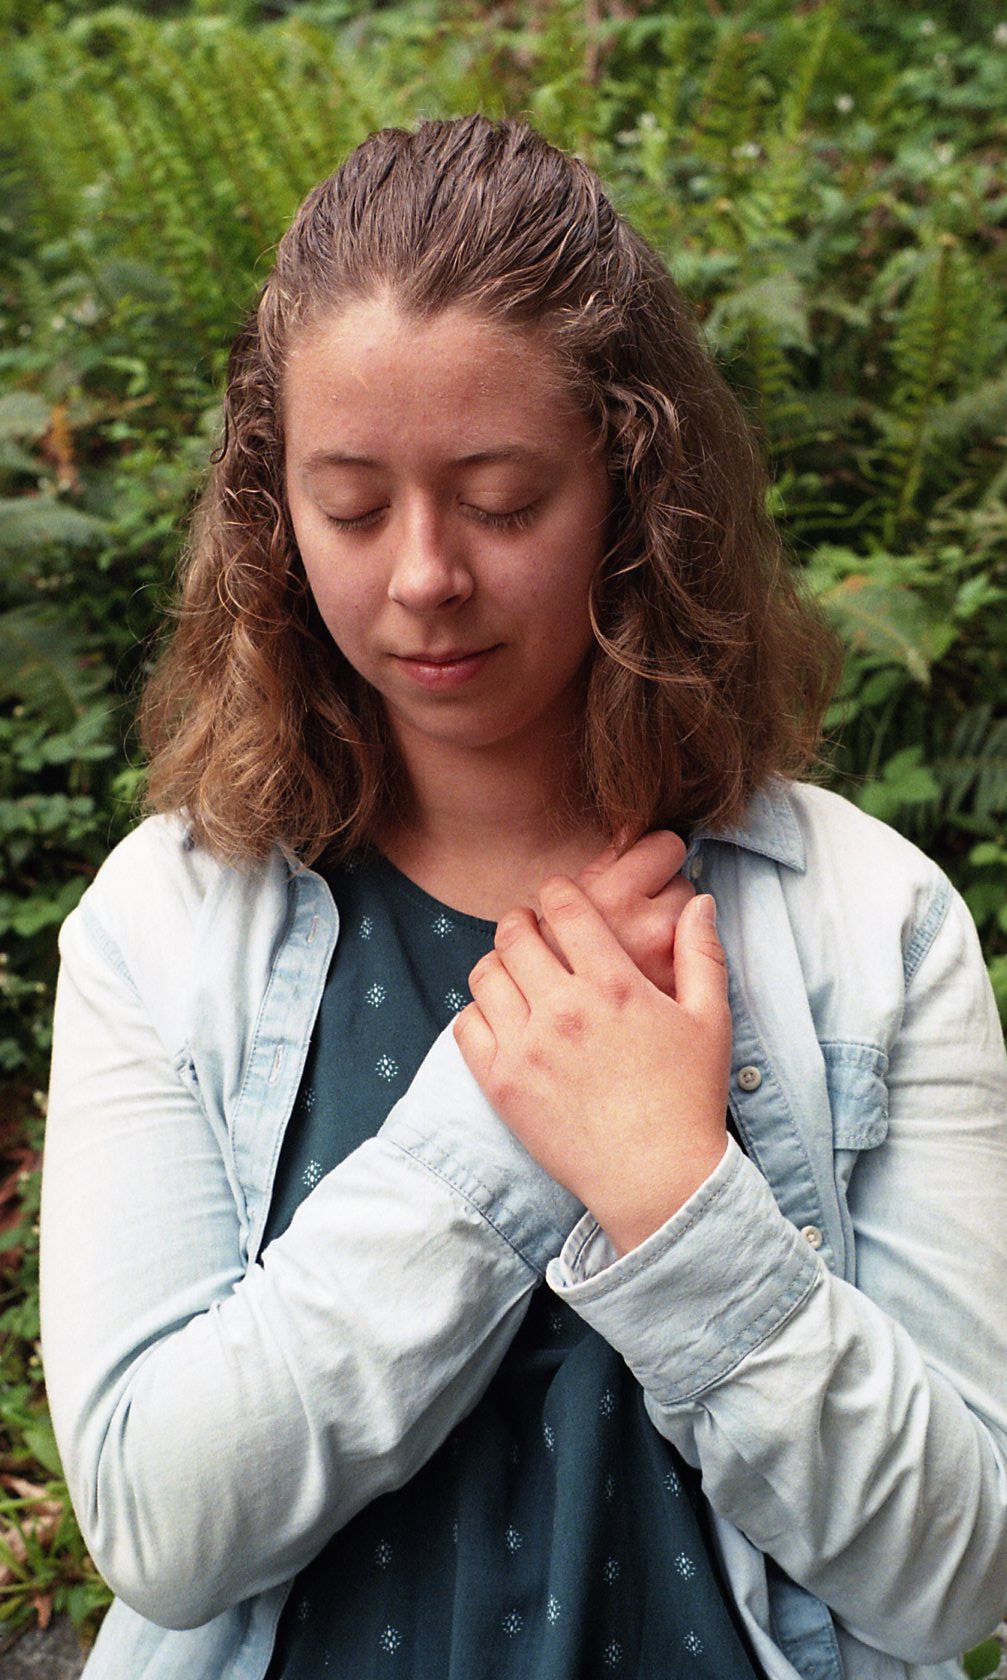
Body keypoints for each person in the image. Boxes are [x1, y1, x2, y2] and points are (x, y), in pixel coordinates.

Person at [40, 115, 1007, 1680]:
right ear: (272, 514)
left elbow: (958, 1575)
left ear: (637, 486)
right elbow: (159, 1525)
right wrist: (500, 1133)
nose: (424, 575)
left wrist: (674, 1200)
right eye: (352, 506)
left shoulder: (873, 929)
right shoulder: (163, 928)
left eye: (500, 501)